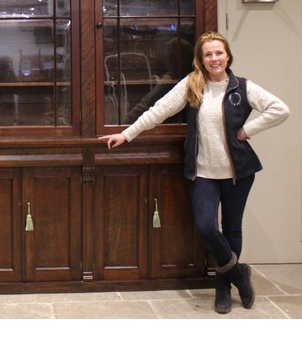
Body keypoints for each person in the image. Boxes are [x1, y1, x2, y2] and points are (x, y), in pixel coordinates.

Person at [98, 31, 290, 314]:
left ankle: (223, 287)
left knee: (232, 229)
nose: (214, 58)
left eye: (218, 53)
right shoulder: (192, 85)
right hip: (202, 171)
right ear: (200, 59)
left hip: (238, 172)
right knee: (206, 227)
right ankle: (239, 274)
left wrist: (248, 130)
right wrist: (127, 134)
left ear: (227, 56)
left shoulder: (243, 88)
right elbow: (159, 110)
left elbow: (280, 109)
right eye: (208, 54)